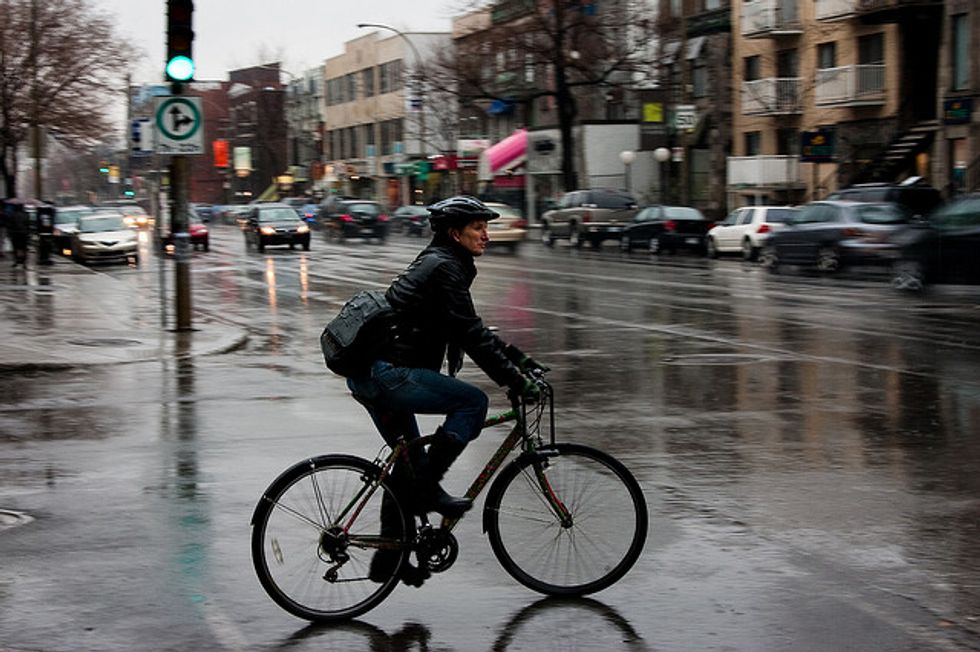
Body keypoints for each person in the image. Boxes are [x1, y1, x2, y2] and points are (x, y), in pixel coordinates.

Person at [345, 195, 541, 586]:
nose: (486, 234)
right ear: (455, 233)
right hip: (390, 375)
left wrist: (518, 361)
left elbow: (468, 329)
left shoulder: (441, 262)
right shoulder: (445, 267)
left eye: (486, 226)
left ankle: (388, 560)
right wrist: (514, 382)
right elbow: (469, 332)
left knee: (407, 468)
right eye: (478, 228)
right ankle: (427, 493)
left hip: (372, 374)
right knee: (473, 402)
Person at [7, 201, 30, 268]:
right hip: (24, 233)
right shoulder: (26, 214)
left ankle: (16, 261)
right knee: (24, 248)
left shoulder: (12, 215)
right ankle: (24, 262)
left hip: (15, 233)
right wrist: (28, 233)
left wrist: (9, 233)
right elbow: (28, 224)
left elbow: (10, 225)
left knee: (15, 248)